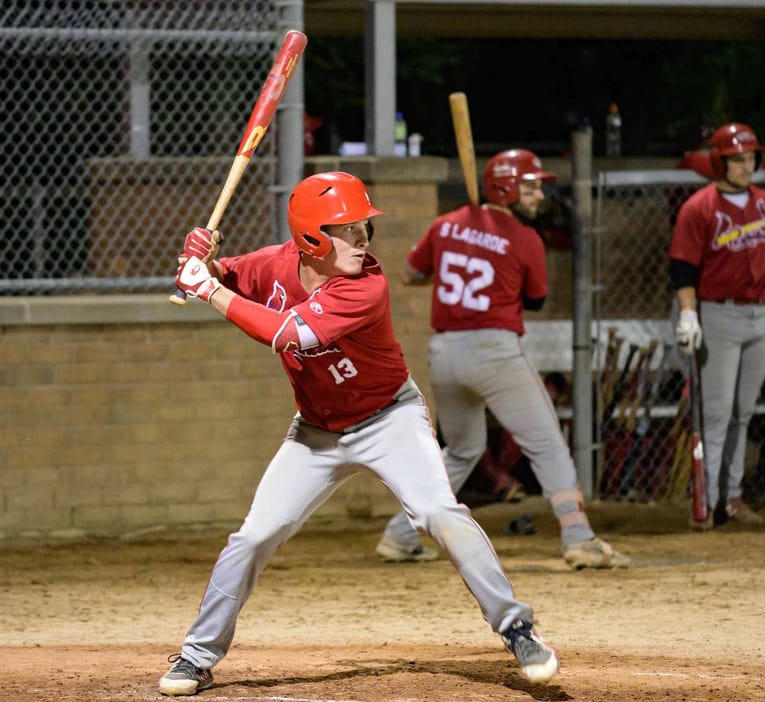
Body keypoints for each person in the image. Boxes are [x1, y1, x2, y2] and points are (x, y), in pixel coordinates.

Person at [158, 172, 559, 696]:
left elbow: (286, 335)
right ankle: (197, 655)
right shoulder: (273, 265)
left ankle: (517, 629)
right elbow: (220, 276)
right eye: (346, 230)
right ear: (310, 237)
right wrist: (200, 259)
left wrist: (205, 287)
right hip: (316, 432)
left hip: (389, 418)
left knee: (440, 513)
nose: (362, 239)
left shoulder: (365, 285)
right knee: (253, 535)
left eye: (364, 226)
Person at [375, 149, 630, 570]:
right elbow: (535, 299)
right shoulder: (526, 238)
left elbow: (411, 275)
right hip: (494, 351)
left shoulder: (447, 223)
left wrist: (467, 246)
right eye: (529, 187)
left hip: (445, 353)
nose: (537, 195)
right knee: (547, 444)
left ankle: (400, 535)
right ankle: (579, 537)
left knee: (461, 450)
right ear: (505, 187)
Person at [670, 123, 765, 529]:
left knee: (743, 412)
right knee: (716, 414)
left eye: (751, 157)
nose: (746, 164)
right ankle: (706, 501)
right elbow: (682, 269)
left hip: (761, 315)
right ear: (720, 161)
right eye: (737, 158)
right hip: (719, 313)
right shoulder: (699, 206)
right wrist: (688, 313)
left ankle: (732, 497)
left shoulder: (764, 203)